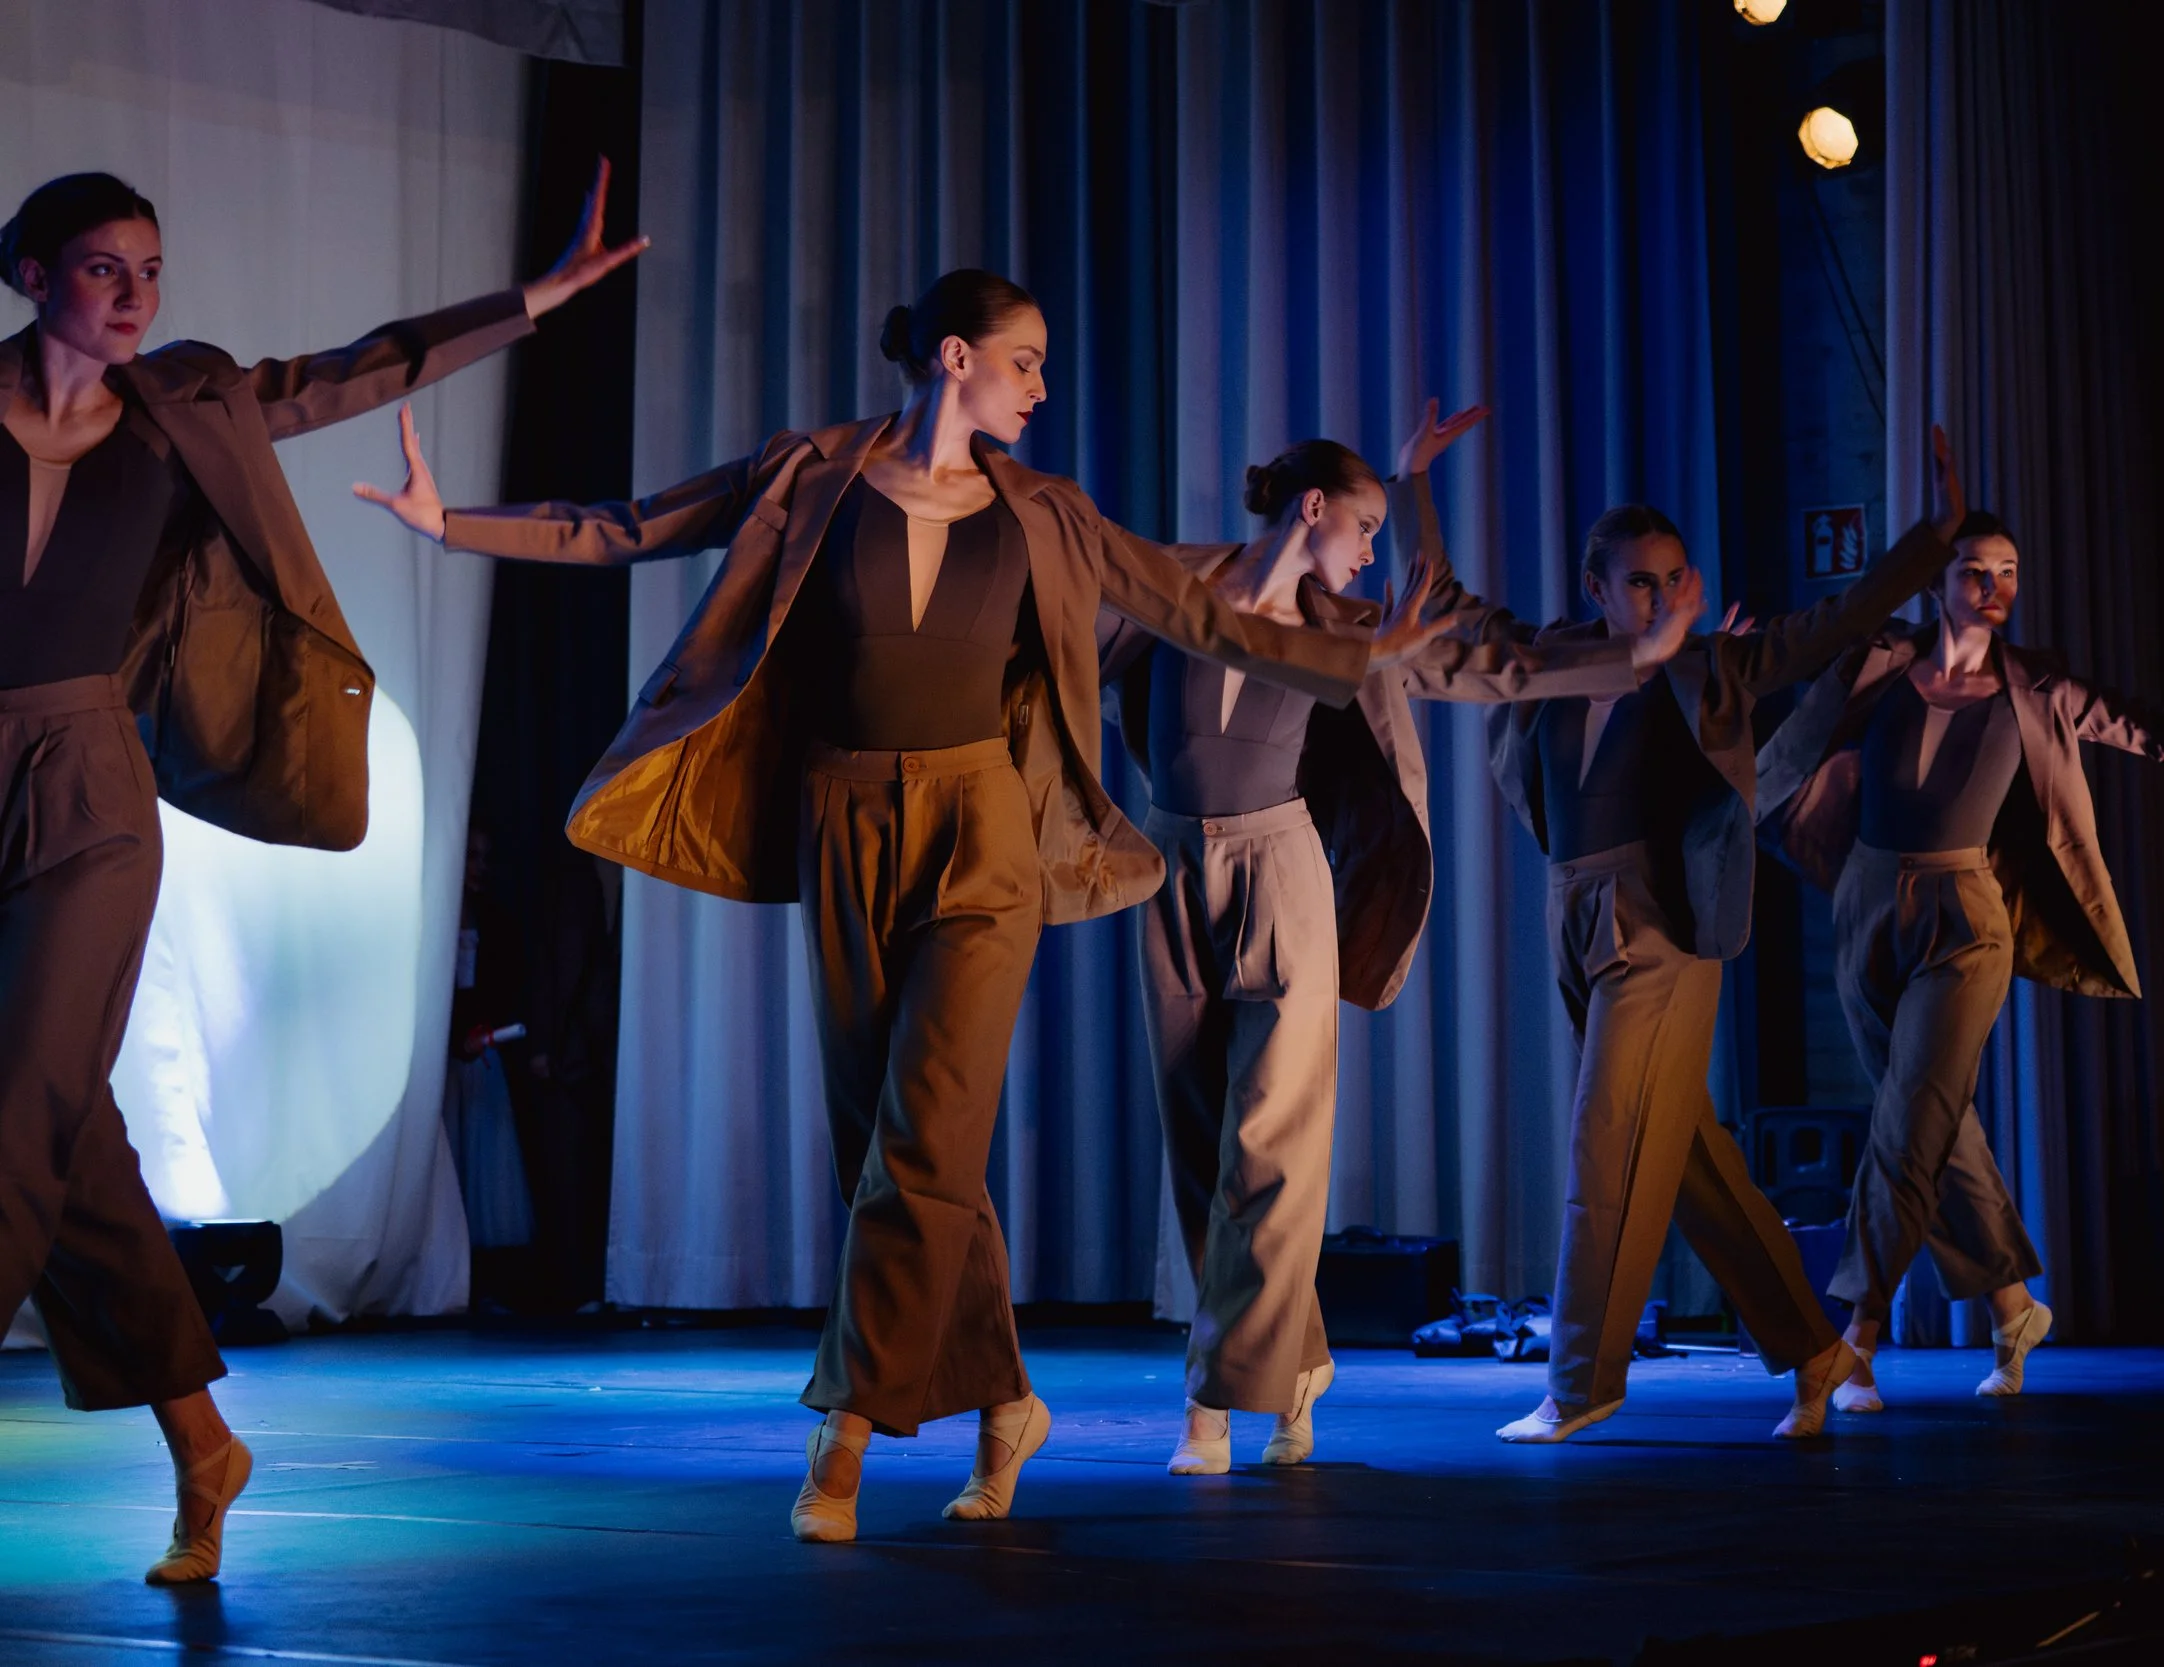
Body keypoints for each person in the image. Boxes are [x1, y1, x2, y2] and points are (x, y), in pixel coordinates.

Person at [355, 269, 1455, 1542]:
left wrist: (1359, 650)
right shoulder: (810, 473)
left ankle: (844, 1430)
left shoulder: (1046, 510)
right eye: (1025, 360)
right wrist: (453, 524)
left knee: (924, 1133)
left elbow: (1200, 615)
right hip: (840, 821)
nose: (1042, 386)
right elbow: (636, 524)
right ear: (953, 358)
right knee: (881, 1140)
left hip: (983, 833)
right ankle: (1003, 1399)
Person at [0, 163, 640, 1584]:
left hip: (90, 789)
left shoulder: (180, 404)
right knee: (70, 1138)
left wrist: (532, 299)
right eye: (104, 268)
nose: (136, 295)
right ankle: (202, 1442)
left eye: (151, 269)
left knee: (17, 1108)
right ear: (33, 275)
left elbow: (355, 369)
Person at [1098, 401, 1686, 1476]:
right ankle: (1295, 1360)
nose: (1372, 551)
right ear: (1311, 508)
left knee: (1268, 1147)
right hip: (1170, 870)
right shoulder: (1170, 586)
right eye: (1365, 526)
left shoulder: (1358, 630)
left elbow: (1492, 664)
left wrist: (1633, 655)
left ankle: (1211, 1401)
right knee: (1199, 1144)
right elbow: (1055, 625)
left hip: (1281, 874)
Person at [1459, 428, 1971, 1444]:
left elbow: (1836, 621)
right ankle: (1814, 1350)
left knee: (1605, 1142)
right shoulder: (1553, 654)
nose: (1658, 599)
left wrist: (1932, 538)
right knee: (1689, 1157)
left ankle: (1579, 1382)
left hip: (1663, 927)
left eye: (1671, 579)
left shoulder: (1714, 664)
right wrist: (1412, 485)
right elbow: (1451, 608)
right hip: (1574, 910)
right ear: (1596, 588)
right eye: (1637, 583)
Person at [1754, 510, 2164, 1406]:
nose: (1994, 587)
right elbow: (1788, 689)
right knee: (1934, 1118)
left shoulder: (2037, 685)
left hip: (1968, 918)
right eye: (1975, 571)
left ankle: (1852, 1340)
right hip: (1866, 903)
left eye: (2009, 570)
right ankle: (2014, 1307)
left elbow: (2131, 720)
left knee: (1909, 1120)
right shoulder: (1879, 661)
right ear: (1936, 582)